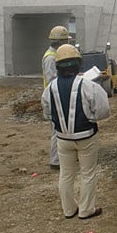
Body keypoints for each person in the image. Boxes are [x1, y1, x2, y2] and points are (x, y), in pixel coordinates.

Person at [41, 44, 110, 219]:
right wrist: (91, 117)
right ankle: (86, 210)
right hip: (87, 136)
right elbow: (103, 110)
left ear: (57, 66)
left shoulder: (51, 88)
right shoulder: (88, 85)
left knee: (66, 174)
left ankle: (69, 209)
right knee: (88, 173)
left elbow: (47, 112)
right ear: (78, 64)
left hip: (62, 139)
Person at [42, 26, 71, 170]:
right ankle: (55, 161)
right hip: (54, 96)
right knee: (56, 129)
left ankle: (62, 157)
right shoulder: (50, 58)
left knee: (62, 127)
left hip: (57, 94)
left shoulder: (55, 55)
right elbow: (52, 79)